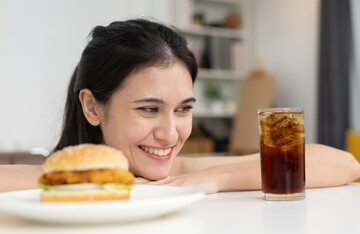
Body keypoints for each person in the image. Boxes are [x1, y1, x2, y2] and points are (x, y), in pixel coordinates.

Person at [1, 19, 360, 193]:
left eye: (184, 109)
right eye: (148, 109)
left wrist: (215, 178)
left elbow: (342, 163)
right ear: (93, 108)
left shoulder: (178, 171)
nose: (171, 134)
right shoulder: (51, 179)